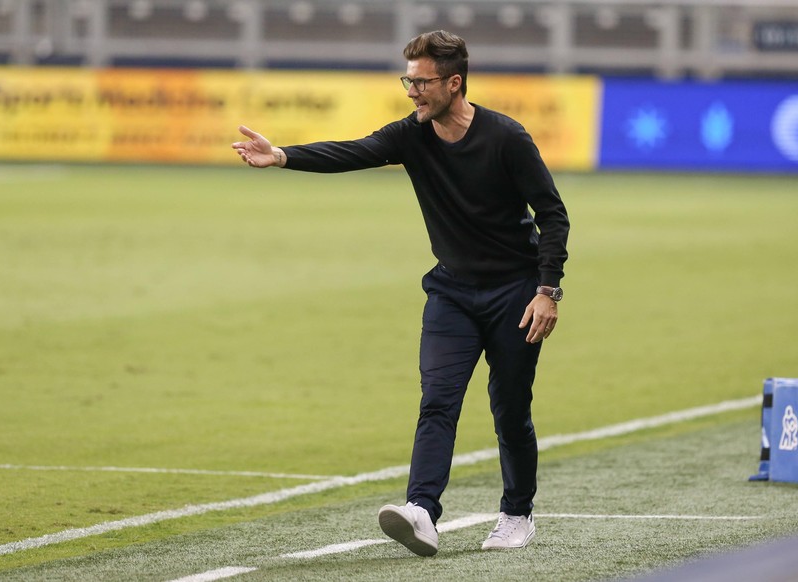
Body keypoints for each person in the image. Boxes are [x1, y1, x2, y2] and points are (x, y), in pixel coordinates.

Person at [231, 30, 569, 556]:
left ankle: (517, 513)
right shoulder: (411, 135)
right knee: (437, 401)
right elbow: (356, 151)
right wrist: (281, 156)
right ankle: (422, 512)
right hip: (452, 292)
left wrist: (547, 290)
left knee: (509, 409)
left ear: (453, 83)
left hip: (515, 293)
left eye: (421, 82)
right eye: (407, 80)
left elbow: (552, 214)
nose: (411, 91)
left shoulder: (506, 137)